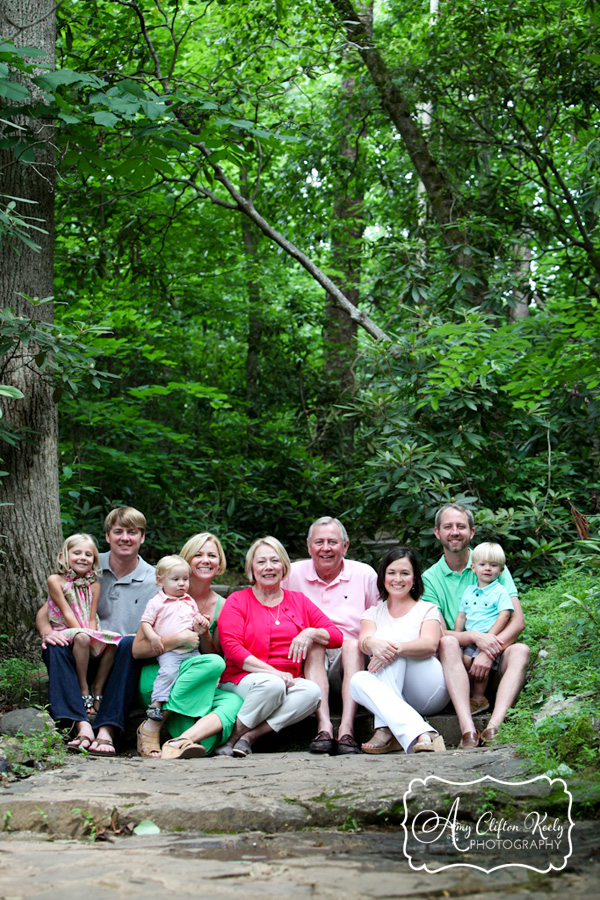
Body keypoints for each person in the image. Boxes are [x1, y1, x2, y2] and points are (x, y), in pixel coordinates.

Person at [37, 507, 157, 756]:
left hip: (121, 659)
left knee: (127, 644)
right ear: (107, 536)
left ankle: (107, 730)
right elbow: (47, 608)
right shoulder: (88, 562)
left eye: (132, 532)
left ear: (142, 537)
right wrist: (47, 631)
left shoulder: (154, 579)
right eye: (118, 531)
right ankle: (80, 724)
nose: (125, 538)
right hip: (81, 649)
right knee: (55, 646)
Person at [216, 536, 344, 757]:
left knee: (312, 692)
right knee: (272, 685)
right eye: (261, 562)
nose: (268, 567)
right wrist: (274, 673)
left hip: (287, 680)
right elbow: (233, 650)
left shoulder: (298, 601)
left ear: (284, 566)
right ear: (251, 568)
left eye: (274, 561)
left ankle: (250, 736)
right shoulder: (237, 601)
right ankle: (232, 737)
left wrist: (310, 632)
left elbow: (336, 636)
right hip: (243, 678)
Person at [422, 503, 530, 748]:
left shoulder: (490, 563)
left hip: (494, 653)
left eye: (461, 526)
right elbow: (437, 631)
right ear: (437, 533)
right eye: (447, 527)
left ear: (471, 532)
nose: (455, 532)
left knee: (521, 650)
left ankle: (494, 728)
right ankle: (467, 729)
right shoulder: (430, 578)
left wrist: (488, 651)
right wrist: (474, 638)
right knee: (448, 642)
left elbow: (517, 620)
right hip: (458, 661)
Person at [133, 533, 243, 759]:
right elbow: (137, 650)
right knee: (212, 668)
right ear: (186, 561)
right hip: (162, 678)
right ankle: (159, 727)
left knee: (233, 700)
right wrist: (176, 640)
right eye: (198, 555)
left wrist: (203, 635)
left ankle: (174, 736)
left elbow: (215, 660)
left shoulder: (223, 606)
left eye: (212, 555)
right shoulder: (164, 596)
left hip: (197, 681)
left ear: (219, 563)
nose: (205, 560)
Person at [281, 517, 378, 755]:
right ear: (309, 546)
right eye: (319, 542)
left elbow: (377, 618)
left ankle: (346, 728)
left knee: (352, 645)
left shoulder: (364, 574)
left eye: (333, 542)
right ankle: (324, 725)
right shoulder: (292, 573)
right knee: (315, 644)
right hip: (310, 658)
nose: (326, 548)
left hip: (353, 659)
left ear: (345, 546)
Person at [350, 547, 448, 754]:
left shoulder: (427, 609)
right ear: (383, 576)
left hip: (427, 688)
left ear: (414, 578)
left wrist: (394, 648)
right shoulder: (373, 613)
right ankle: (423, 733)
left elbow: (430, 645)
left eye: (405, 573)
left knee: (389, 646)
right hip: (392, 694)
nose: (398, 579)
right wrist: (372, 643)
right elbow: (364, 640)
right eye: (392, 572)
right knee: (357, 681)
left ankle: (384, 729)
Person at [46, 533, 121, 718]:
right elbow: (66, 611)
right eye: (76, 553)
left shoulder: (94, 584)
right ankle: (83, 687)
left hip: (87, 628)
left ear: (94, 560)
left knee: (116, 642)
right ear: (64, 556)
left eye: (88, 555)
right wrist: (86, 634)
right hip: (66, 629)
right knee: (82, 637)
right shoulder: (56, 581)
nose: (82, 558)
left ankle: (98, 686)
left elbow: (92, 615)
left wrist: (95, 635)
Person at [140, 555, 207, 725]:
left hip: (192, 650)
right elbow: (146, 622)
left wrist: (201, 621)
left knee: (205, 667)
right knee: (168, 673)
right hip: (171, 651)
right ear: (160, 581)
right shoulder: (157, 602)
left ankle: (205, 696)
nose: (182, 583)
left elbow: (194, 618)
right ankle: (156, 704)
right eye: (175, 579)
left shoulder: (189, 600)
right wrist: (154, 638)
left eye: (185, 579)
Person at [453, 542, 514, 716]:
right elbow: (462, 616)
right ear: (473, 568)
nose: (487, 569)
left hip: (489, 639)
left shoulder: (500, 591)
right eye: (482, 565)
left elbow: (505, 615)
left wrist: (490, 637)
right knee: (465, 662)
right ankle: (469, 696)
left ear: (501, 571)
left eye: (493, 565)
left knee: (481, 668)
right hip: (471, 640)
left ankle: (479, 698)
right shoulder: (469, 591)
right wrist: (459, 637)